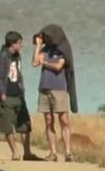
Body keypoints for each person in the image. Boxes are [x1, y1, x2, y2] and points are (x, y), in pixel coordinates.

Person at [32, 24, 76, 162]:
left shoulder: (62, 50)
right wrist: (38, 46)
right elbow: (34, 63)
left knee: (64, 120)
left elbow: (58, 67)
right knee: (48, 120)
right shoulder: (45, 49)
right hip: (44, 88)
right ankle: (53, 152)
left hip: (59, 88)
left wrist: (45, 64)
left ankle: (68, 152)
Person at [0, 31, 40, 161]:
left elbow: (19, 73)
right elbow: (0, 76)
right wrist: (2, 93)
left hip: (19, 94)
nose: (21, 45)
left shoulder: (17, 55)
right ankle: (15, 151)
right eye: (19, 43)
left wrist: (22, 90)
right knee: (7, 125)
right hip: (7, 94)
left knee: (25, 124)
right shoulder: (4, 56)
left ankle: (27, 152)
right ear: (12, 43)